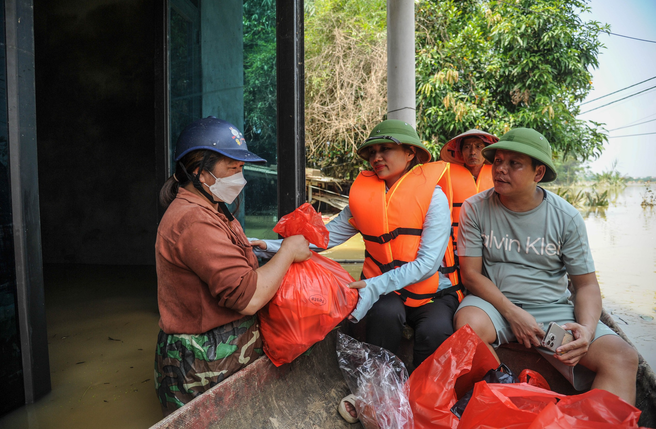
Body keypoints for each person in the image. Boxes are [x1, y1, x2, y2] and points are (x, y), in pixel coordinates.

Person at [254, 119, 462, 423]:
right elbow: (324, 239)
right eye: (372, 152)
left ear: (410, 154)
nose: (377, 157)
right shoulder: (364, 196)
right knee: (383, 315)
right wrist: (271, 247)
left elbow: (427, 264)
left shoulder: (434, 196)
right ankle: (376, 392)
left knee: (435, 330)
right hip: (388, 290)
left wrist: (376, 285)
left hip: (432, 291)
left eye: (386, 149)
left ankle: (420, 398)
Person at [453, 127, 639, 404]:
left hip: (552, 314)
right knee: (468, 327)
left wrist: (586, 331)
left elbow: (586, 285)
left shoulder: (566, 217)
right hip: (495, 306)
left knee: (622, 357)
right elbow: (471, 275)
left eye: (513, 163)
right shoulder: (475, 208)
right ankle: (506, 406)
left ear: (538, 174)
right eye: (499, 161)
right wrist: (513, 314)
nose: (500, 169)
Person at [154, 116, 311, 416]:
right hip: (202, 365)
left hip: (224, 351)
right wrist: (288, 250)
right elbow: (249, 298)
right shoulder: (193, 219)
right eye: (232, 168)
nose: (240, 177)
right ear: (201, 171)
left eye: (241, 168)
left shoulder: (211, 206)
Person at [440, 129, 498, 278]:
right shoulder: (446, 176)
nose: (472, 152)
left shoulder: (499, 175)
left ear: (487, 151)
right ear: (460, 152)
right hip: (458, 246)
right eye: (467, 147)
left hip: (494, 244)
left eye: (478, 147)